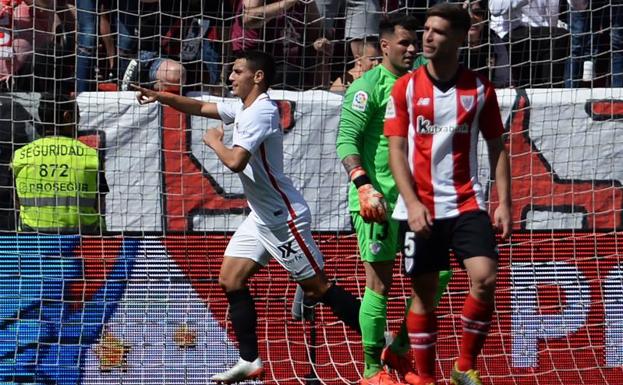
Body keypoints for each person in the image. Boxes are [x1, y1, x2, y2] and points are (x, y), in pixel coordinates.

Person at [132, 50, 361, 383]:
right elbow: (198, 106)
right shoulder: (243, 108)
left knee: (320, 288)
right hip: (260, 217)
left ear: (258, 77)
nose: (229, 78)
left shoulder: (261, 112)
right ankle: (249, 360)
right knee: (231, 279)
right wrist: (159, 96)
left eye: (237, 71)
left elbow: (236, 161)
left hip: (284, 218)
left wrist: (212, 142)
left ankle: (381, 342)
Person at [384, 3, 511, 385]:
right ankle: (424, 377)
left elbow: (497, 145)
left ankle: (463, 366)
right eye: (426, 29)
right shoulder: (405, 87)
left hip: (466, 202)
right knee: (423, 295)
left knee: (485, 278)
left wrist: (504, 202)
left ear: (460, 37)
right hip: (419, 208)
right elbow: (396, 150)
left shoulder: (479, 89)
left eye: (437, 31)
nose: (427, 36)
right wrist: (411, 203)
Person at [336, 14, 451, 385]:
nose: (413, 48)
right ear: (384, 46)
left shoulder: (424, 81)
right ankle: (371, 370)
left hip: (417, 201)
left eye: (414, 42)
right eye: (404, 43)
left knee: (440, 275)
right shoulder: (367, 87)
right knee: (379, 285)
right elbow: (346, 141)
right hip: (377, 202)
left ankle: (399, 349)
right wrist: (363, 185)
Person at [11, 93, 108, 234]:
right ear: (67, 117)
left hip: (32, 242)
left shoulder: (21, 155)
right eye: (77, 117)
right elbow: (99, 204)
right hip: (83, 242)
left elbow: (17, 202)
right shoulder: (90, 156)